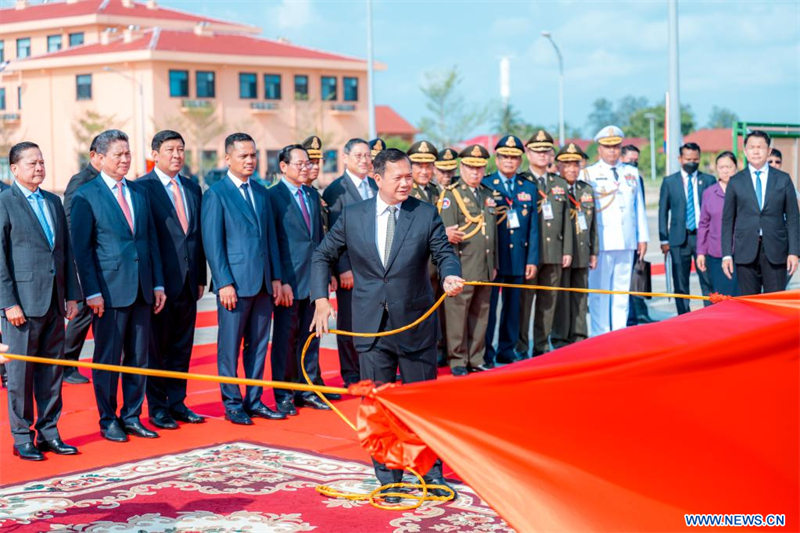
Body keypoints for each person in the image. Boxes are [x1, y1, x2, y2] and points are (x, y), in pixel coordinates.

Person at [310, 148, 463, 502]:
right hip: (371, 326)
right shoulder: (353, 215)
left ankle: (430, 472)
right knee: (378, 408)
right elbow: (322, 254)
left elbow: (444, 253)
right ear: (378, 178)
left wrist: (450, 276)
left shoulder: (424, 214)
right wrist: (320, 299)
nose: (406, 183)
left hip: (415, 325)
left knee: (422, 406)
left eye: (409, 176)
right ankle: (389, 478)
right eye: (399, 177)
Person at [71, 129, 166, 442]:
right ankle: (108, 419)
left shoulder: (138, 192)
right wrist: (92, 292)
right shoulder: (87, 195)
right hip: (109, 293)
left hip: (142, 288)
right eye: (118, 155)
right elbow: (82, 250)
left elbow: (150, 241)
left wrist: (157, 284)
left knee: (139, 357)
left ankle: (132, 415)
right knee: (108, 358)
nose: (125, 160)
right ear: (100, 158)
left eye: (128, 154)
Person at [0, 142, 81, 460]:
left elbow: (65, 252)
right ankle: (22, 437)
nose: (39, 168)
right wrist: (8, 303)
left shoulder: (52, 201)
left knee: (52, 372)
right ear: (14, 168)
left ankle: (50, 432)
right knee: (20, 376)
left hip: (54, 302)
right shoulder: (5, 202)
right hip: (21, 305)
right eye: (32, 163)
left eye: (42, 162)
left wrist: (72, 295)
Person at [202, 132, 285, 425]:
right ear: (228, 159)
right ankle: (233, 403)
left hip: (263, 283)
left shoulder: (261, 192)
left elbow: (270, 238)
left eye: (253, 155)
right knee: (229, 347)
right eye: (243, 156)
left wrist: (275, 277)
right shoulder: (216, 194)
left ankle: (255, 400)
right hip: (234, 285)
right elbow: (213, 244)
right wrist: (223, 282)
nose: (250, 160)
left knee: (259, 345)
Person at [137, 130, 207, 430]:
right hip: (161, 284)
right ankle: (158, 407)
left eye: (180, 149)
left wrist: (201, 276)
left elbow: (197, 237)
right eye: (170, 150)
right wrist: (155, 282)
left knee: (182, 346)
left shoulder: (192, 188)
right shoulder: (142, 188)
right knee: (157, 348)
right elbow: (146, 240)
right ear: (155, 154)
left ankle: (178, 402)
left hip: (189, 282)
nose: (177, 155)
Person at [268, 145, 332, 416]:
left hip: (313, 279)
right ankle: (283, 393)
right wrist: (279, 278)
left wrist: (325, 276)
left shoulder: (311, 194)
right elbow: (272, 241)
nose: (307, 168)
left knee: (311, 337)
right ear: (283, 167)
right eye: (300, 164)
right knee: (285, 339)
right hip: (288, 281)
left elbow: (318, 240)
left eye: (309, 163)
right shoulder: (272, 197)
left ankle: (307, 390)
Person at [321, 138, 377, 387]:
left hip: (376, 269)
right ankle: (351, 373)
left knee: (375, 320)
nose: (364, 160)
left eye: (367, 156)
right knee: (349, 322)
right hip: (351, 270)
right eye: (358, 156)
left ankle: (372, 369)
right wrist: (342, 268)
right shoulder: (336, 190)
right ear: (345, 158)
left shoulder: (375, 185)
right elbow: (334, 233)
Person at [585, 125, 649, 335]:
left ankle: (619, 332)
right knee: (600, 291)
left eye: (615, 146)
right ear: (599, 149)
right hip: (602, 240)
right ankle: (600, 332)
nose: (612, 151)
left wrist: (642, 237)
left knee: (622, 291)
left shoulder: (630, 172)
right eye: (607, 147)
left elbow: (638, 207)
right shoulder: (589, 173)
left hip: (627, 239)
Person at [440, 144, 497, 376]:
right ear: (461, 167)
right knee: (457, 315)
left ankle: (476, 357)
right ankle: (458, 359)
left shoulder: (487, 194)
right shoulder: (451, 195)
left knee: (481, 314)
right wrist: (450, 270)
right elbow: (447, 238)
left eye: (479, 168)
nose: (475, 172)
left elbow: (491, 234)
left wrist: (494, 264)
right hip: (461, 266)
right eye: (470, 167)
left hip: (484, 266)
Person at [482, 135, 538, 366]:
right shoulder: (486, 184)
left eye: (514, 157)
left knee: (513, 309)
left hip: (518, 259)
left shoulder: (528, 187)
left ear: (520, 160)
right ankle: (486, 353)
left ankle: (507, 350)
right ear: (497, 158)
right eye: (504, 156)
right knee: (489, 309)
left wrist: (532, 260)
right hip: (494, 259)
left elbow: (533, 227)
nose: (509, 161)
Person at [721, 130, 800, 294]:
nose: (756, 152)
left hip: (776, 251)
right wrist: (727, 254)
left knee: (774, 303)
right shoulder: (735, 182)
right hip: (745, 251)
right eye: (752, 147)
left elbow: (793, 219)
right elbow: (728, 221)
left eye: (760, 147)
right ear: (745, 151)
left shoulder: (783, 179)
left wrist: (794, 252)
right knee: (749, 304)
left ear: (769, 151)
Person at [518, 130, 572, 357]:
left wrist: (567, 249)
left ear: (551, 154)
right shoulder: (521, 181)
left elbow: (566, 220)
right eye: (537, 150)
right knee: (524, 303)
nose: (542, 154)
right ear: (528, 153)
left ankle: (541, 346)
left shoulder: (559, 184)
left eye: (546, 151)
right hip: (528, 254)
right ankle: (521, 347)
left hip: (553, 252)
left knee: (548, 303)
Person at [61, 136, 102, 385]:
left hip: (103, 259)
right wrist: (76, 260)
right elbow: (70, 221)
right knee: (84, 310)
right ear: (94, 155)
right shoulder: (81, 180)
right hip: (83, 258)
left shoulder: (106, 180)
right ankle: (66, 363)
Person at [658, 142, 716, 314]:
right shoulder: (670, 182)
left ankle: (711, 313)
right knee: (680, 282)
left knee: (707, 279)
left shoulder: (708, 180)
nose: (692, 162)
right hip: (678, 238)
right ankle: (683, 316)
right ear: (680, 159)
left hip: (702, 238)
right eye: (688, 159)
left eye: (695, 159)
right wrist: (664, 239)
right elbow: (663, 212)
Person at [552, 143, 598, 348]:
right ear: (559, 166)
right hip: (561, 252)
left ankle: (579, 336)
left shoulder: (585, 190)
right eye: (567, 164)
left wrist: (593, 251)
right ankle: (560, 337)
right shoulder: (554, 189)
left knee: (580, 295)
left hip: (581, 250)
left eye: (575, 164)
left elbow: (593, 224)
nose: (572, 169)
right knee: (562, 295)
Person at [406, 140, 448, 365]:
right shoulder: (405, 192)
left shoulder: (435, 191)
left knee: (437, 310)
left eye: (428, 166)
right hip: (415, 265)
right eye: (418, 166)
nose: (424, 171)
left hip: (436, 264)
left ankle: (437, 349)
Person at [696, 152, 740, 297]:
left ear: (736, 167)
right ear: (716, 169)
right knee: (722, 296)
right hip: (717, 253)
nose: (725, 171)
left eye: (729, 167)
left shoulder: (744, 190)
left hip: (741, 253)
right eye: (721, 167)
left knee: (740, 297)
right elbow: (704, 224)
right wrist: (701, 252)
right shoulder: (709, 193)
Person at [620, 145, 654, 325]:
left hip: (634, 238)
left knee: (636, 278)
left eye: (636, 161)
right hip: (617, 238)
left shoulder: (636, 178)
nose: (633, 164)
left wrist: (643, 237)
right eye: (629, 160)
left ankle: (637, 314)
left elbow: (640, 210)